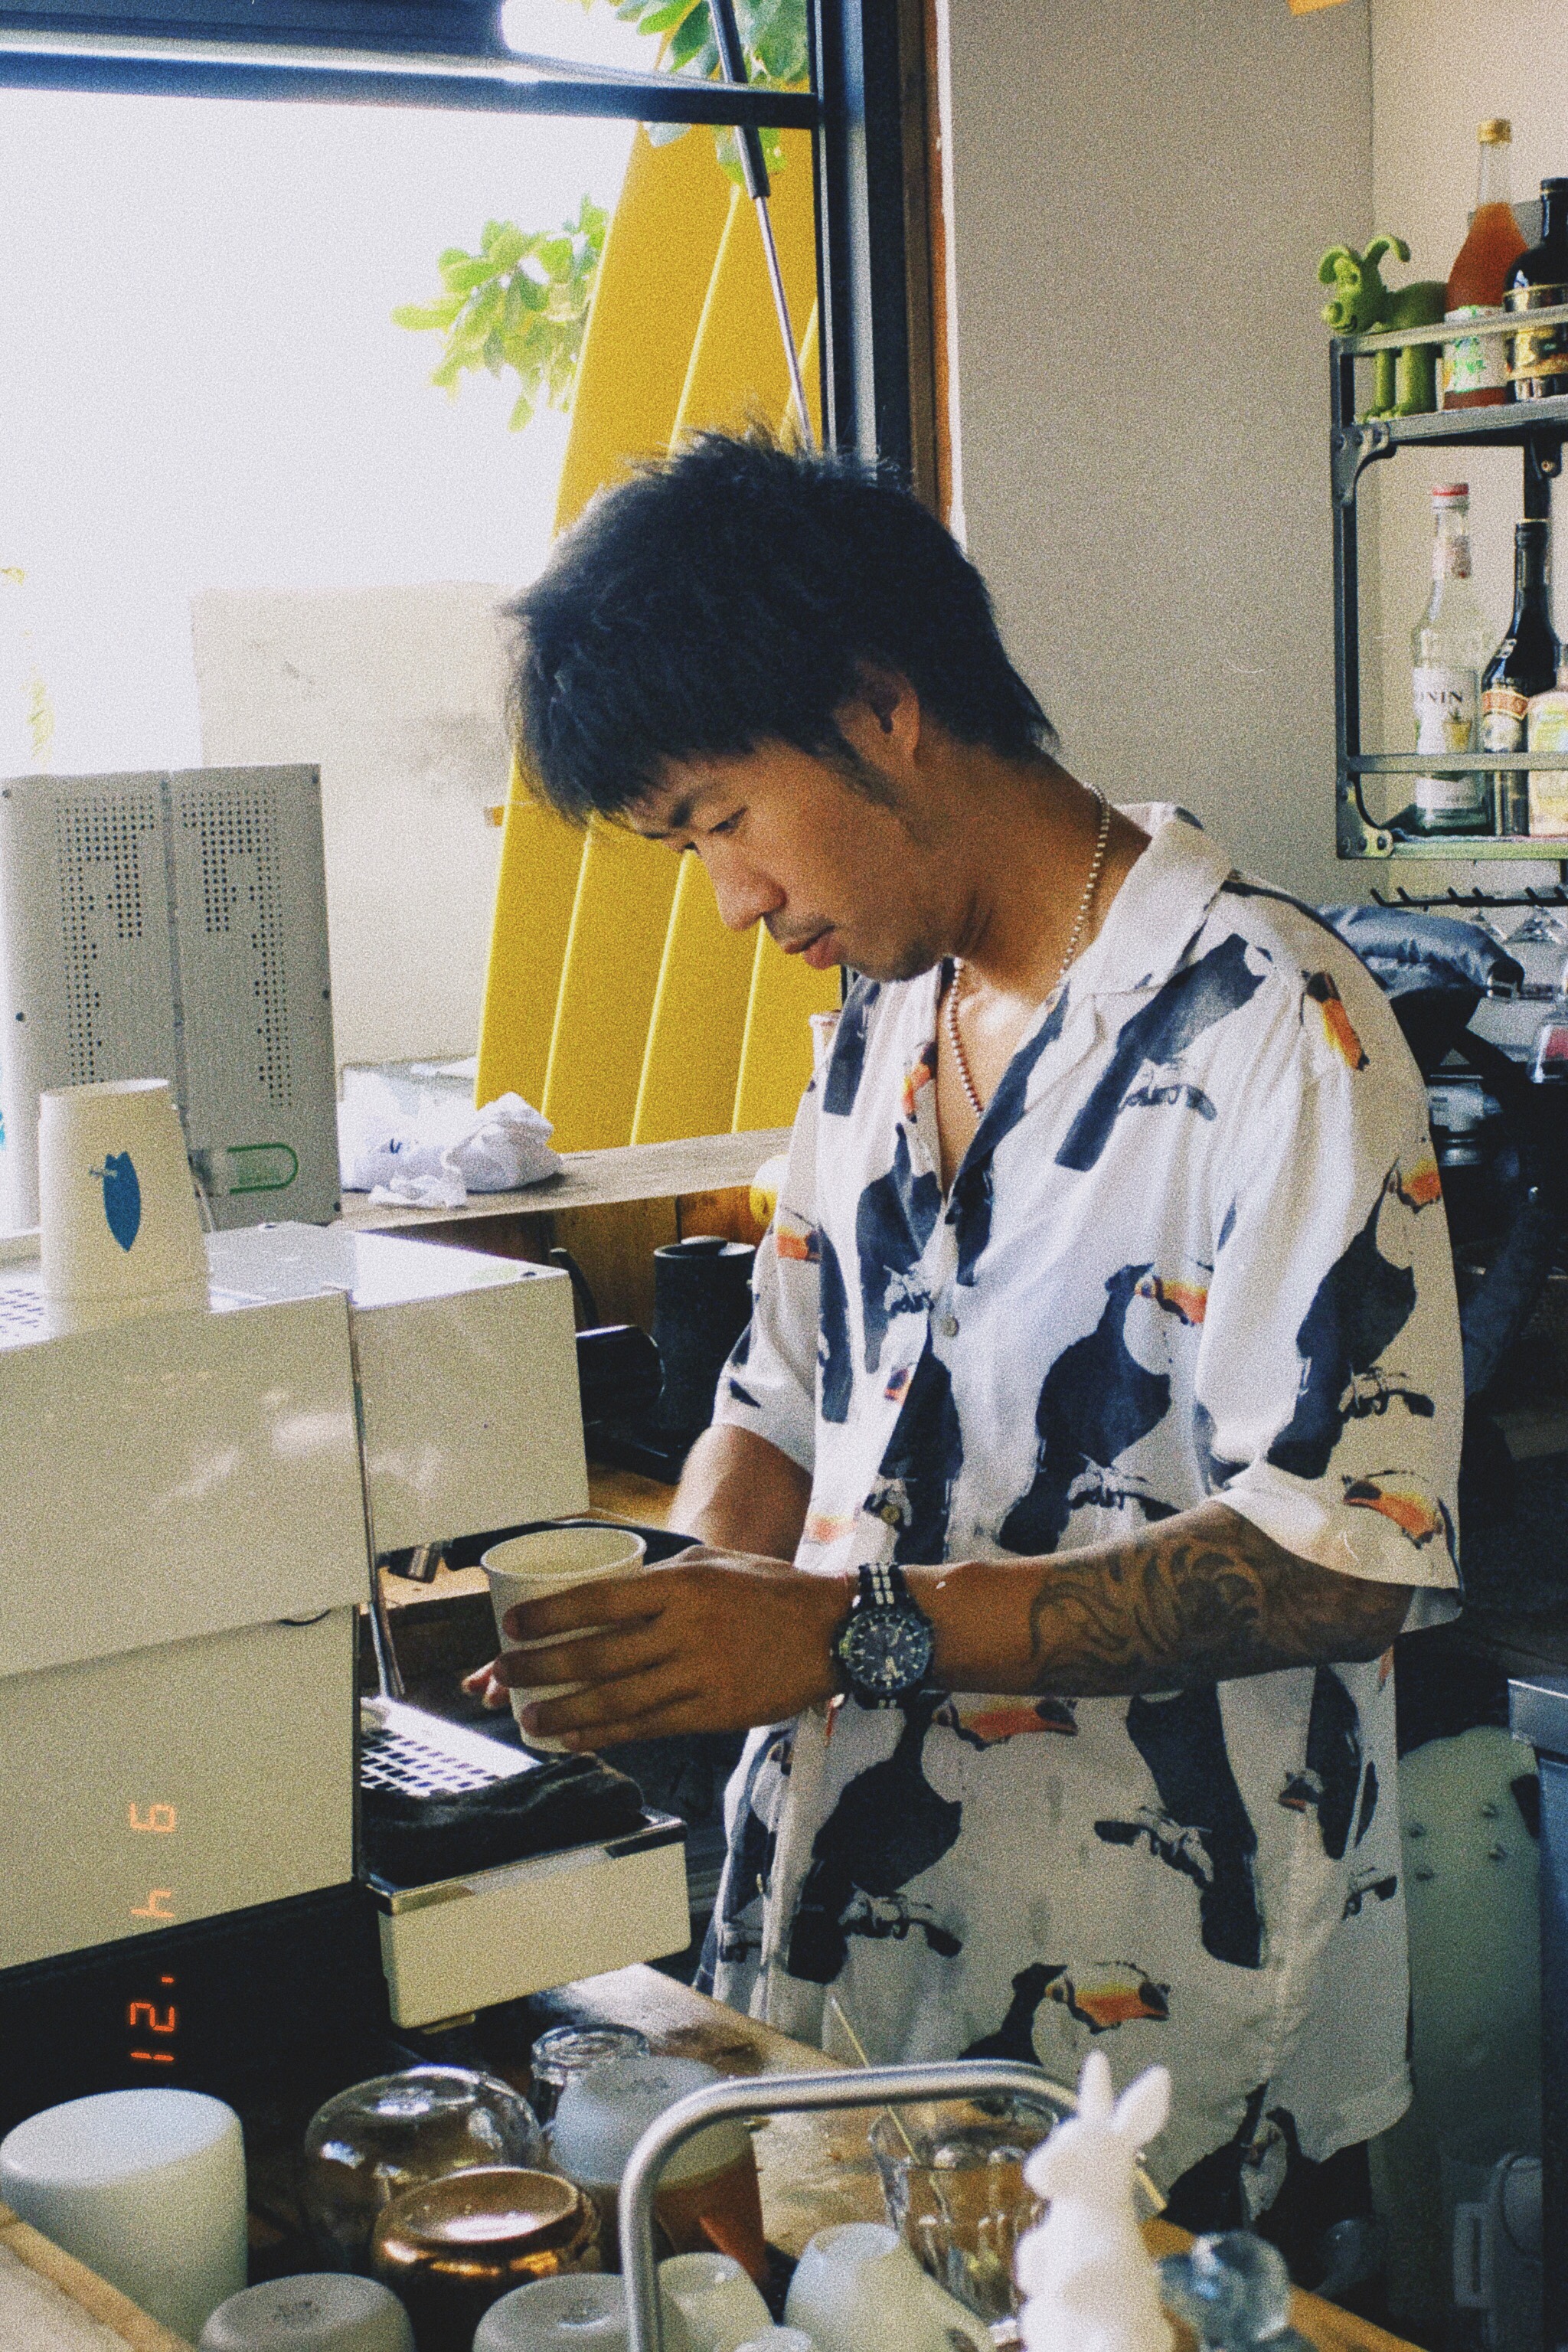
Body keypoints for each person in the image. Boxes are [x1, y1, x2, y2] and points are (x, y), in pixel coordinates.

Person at [469, 433, 1462, 2245]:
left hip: (1153, 2030)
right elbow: (779, 1398)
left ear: (882, 708)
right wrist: (669, 1626)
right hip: (836, 1974)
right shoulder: (883, 1015)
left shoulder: (1278, 1025)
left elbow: (1343, 1560)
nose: (732, 900)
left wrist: (840, 1632)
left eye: (721, 820)